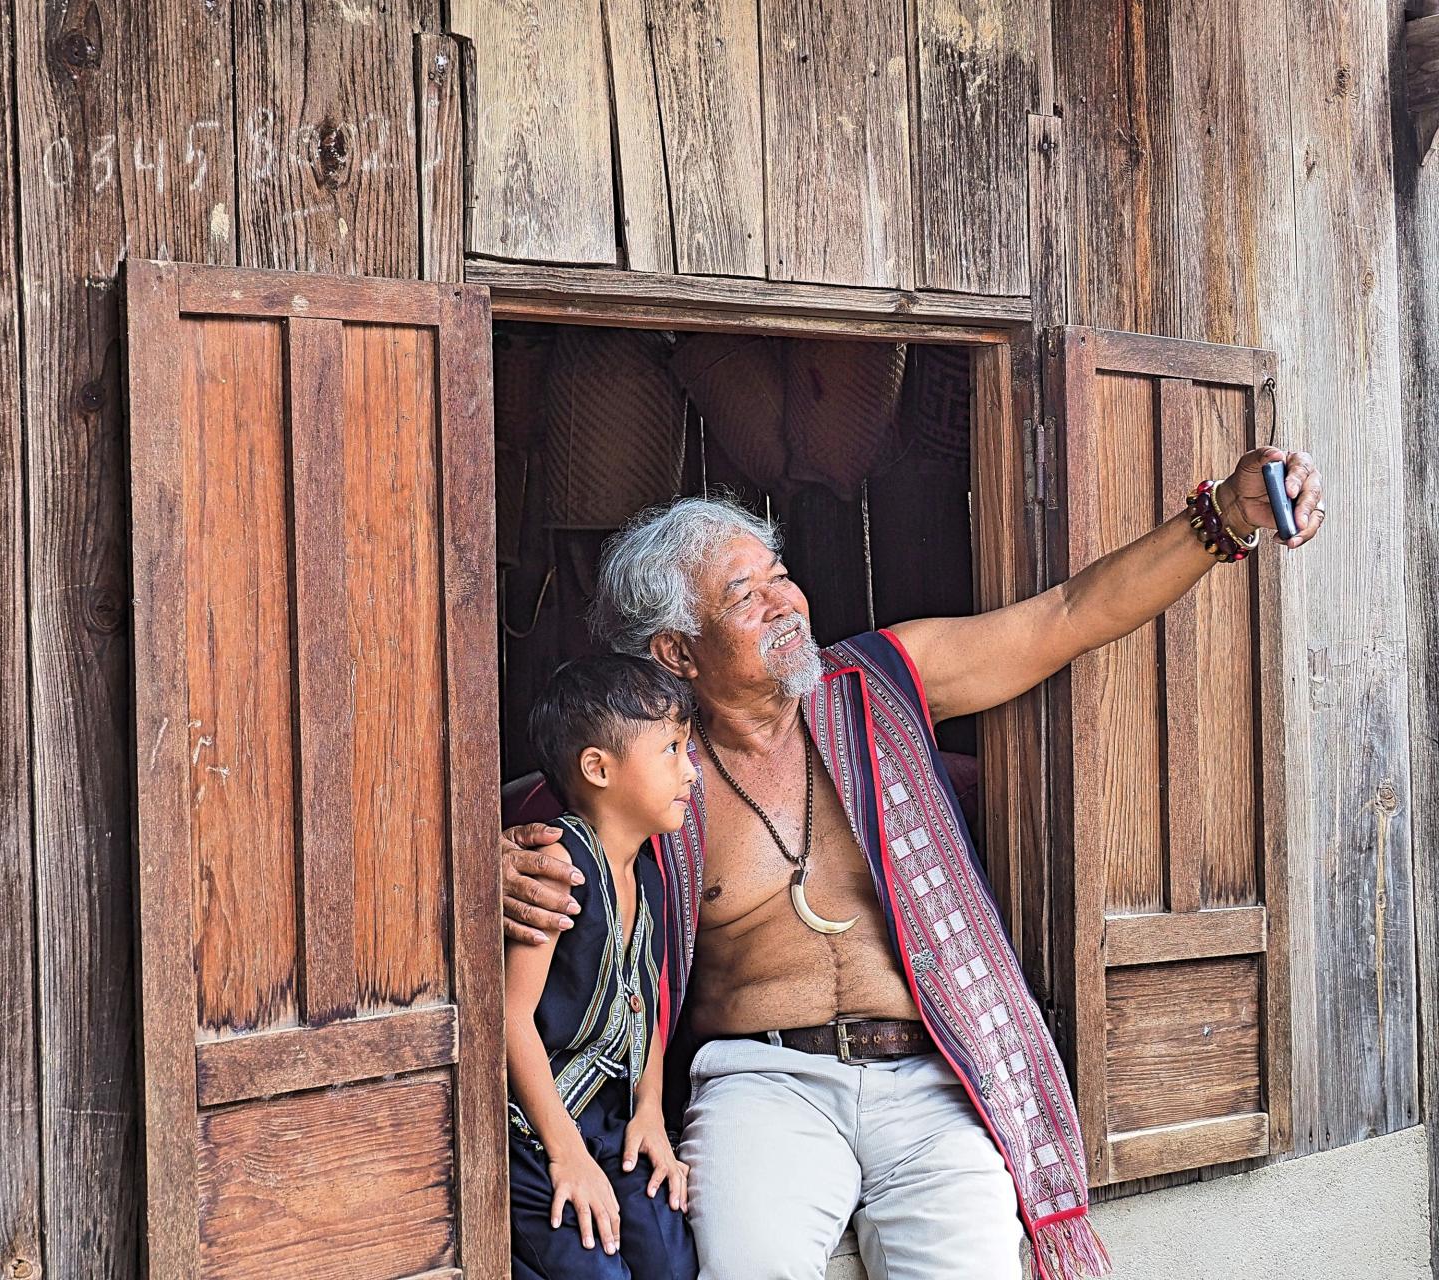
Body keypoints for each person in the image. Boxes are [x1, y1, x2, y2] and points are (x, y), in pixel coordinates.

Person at [498, 448, 1326, 1280]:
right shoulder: (645, 781)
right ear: (678, 653)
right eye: (743, 597)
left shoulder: (884, 682)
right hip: (762, 1083)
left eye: (779, 574)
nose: (784, 601)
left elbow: (1070, 613)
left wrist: (1224, 514)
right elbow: (491, 848)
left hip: (931, 1079)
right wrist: (495, 870)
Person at [506, 654, 702, 1280]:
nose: (691, 772)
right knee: (595, 1269)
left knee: (670, 1258)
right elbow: (509, 1018)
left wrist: (650, 1113)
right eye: (672, 749)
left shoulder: (647, 871)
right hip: (533, 1129)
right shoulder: (558, 867)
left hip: (607, 1118)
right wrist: (566, 1155)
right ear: (598, 768)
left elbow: (647, 1005)